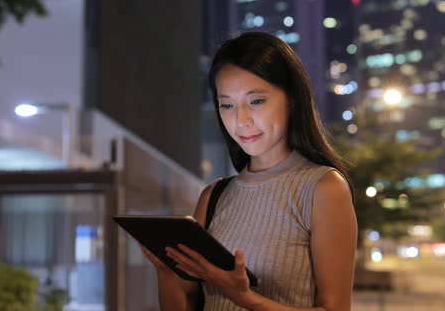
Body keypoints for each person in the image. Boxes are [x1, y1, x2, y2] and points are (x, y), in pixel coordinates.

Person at [141, 31, 358, 310]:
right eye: (227, 105)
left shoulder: (324, 187)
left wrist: (245, 298)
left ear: (291, 98)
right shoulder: (214, 196)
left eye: (256, 101)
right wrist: (165, 270)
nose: (241, 120)